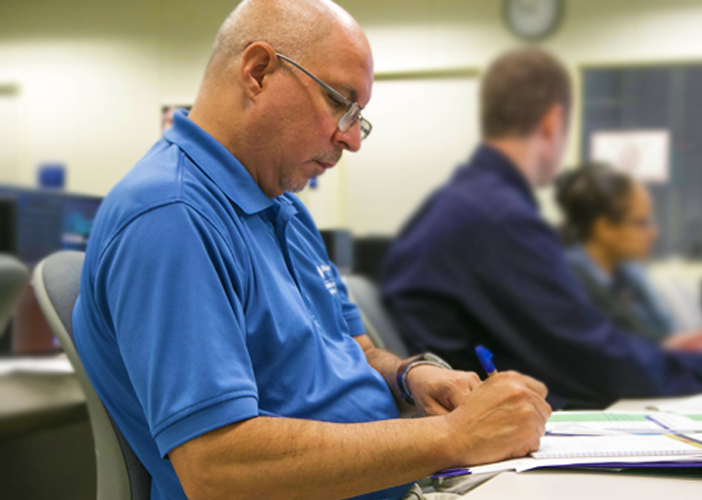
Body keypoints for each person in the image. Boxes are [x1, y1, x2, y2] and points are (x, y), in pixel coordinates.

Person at [72, 2, 552, 500]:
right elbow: (216, 467)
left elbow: (356, 351)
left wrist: (412, 377)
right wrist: (456, 437)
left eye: (357, 116)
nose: (350, 138)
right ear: (258, 72)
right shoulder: (171, 215)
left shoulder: (282, 205)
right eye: (339, 102)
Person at [380, 48, 702, 408]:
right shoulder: (496, 217)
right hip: (492, 432)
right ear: (553, 122)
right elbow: (590, 360)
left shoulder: (469, 202)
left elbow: (572, 341)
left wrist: (674, 355)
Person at [555, 163, 702, 345]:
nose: (654, 232)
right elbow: (643, 353)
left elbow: (665, 337)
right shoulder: (572, 284)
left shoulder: (628, 274)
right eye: (642, 222)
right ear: (605, 229)